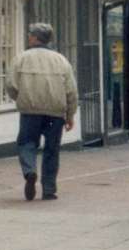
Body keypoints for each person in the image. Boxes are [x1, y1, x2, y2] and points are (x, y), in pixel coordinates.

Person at [6, 22, 78, 201]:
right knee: (52, 150)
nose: (28, 37)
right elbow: (71, 90)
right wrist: (70, 115)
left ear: (35, 38)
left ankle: (30, 171)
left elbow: (10, 85)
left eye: (30, 34)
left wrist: (21, 98)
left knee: (27, 143)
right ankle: (49, 189)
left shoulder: (21, 58)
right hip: (55, 112)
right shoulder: (61, 60)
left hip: (30, 111)